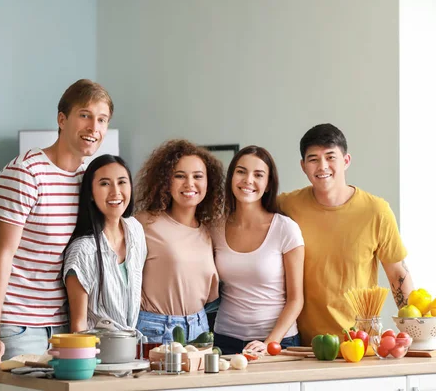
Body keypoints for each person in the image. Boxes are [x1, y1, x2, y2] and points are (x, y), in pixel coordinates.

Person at [0, 79, 113, 391]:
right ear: (61, 119)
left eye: (102, 119)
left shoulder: (87, 180)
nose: (94, 126)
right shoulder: (25, 174)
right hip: (18, 324)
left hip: (66, 324)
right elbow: (1, 257)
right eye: (85, 115)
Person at [277, 123, 415, 346]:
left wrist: (415, 335)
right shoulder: (287, 205)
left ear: (346, 160)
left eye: (331, 157)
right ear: (303, 166)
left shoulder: (376, 211)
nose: (322, 166)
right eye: (313, 159)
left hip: (361, 345)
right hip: (303, 346)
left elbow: (398, 273)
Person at [211, 146, 304, 355]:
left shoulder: (285, 228)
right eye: (241, 171)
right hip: (225, 339)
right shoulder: (215, 228)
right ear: (232, 177)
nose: (248, 180)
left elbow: (296, 299)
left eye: (258, 174)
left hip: (278, 342)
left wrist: (270, 342)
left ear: (268, 183)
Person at [134, 139, 225, 344]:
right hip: (156, 329)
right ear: (166, 182)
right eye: (179, 176)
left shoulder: (209, 231)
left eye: (198, 176)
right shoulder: (145, 223)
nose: (189, 184)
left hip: (200, 326)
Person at [62, 154, 147, 333]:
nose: (115, 191)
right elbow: (79, 326)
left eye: (122, 182)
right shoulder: (83, 250)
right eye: (104, 184)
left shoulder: (135, 230)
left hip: (130, 350)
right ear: (91, 194)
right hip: (97, 353)